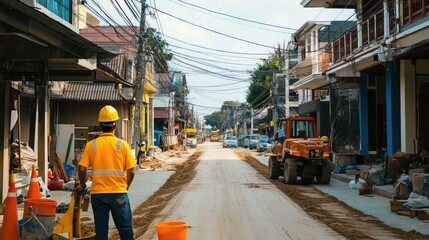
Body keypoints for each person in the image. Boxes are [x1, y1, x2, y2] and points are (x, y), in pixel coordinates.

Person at [77, 105, 136, 240]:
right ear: (115, 125)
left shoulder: (91, 145)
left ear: (100, 125)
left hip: (98, 194)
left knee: (101, 232)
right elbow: (131, 171)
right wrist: (126, 186)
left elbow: (81, 169)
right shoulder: (123, 145)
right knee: (125, 229)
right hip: (119, 193)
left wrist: (82, 184)